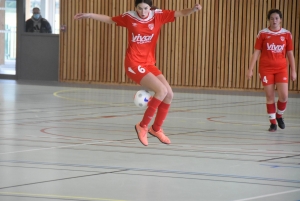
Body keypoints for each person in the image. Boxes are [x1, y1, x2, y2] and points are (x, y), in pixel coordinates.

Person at [74, 0, 202, 145]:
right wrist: (90, 15)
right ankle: (142, 126)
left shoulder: (158, 15)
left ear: (150, 7)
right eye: (139, 8)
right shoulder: (130, 17)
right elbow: (110, 19)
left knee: (169, 95)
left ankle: (156, 128)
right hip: (133, 64)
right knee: (161, 90)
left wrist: (193, 9)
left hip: (149, 63)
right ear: (135, 8)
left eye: (145, 8)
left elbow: (180, 13)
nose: (142, 12)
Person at [247, 9, 297, 132]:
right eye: (271, 18)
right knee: (269, 96)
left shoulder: (286, 34)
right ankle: (273, 123)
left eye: (276, 18)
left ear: (280, 20)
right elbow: (256, 53)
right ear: (268, 20)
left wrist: (293, 70)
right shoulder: (262, 34)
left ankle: (279, 116)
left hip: (281, 69)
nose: (274, 21)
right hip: (266, 69)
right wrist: (250, 69)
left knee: (284, 96)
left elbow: (290, 54)